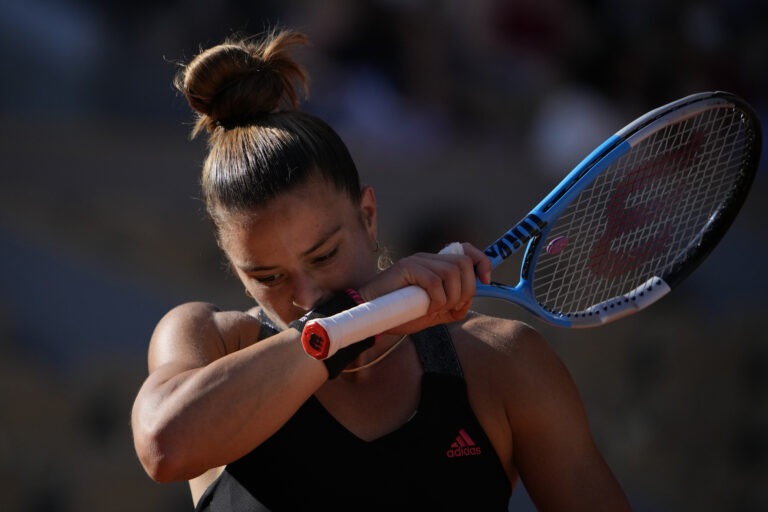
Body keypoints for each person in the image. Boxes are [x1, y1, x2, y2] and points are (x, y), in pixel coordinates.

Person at [131, 29, 631, 511]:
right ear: (236, 270)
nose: (306, 295)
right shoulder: (209, 340)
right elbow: (164, 446)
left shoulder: (501, 364)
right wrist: (352, 317)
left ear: (368, 217)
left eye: (324, 255)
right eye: (268, 277)